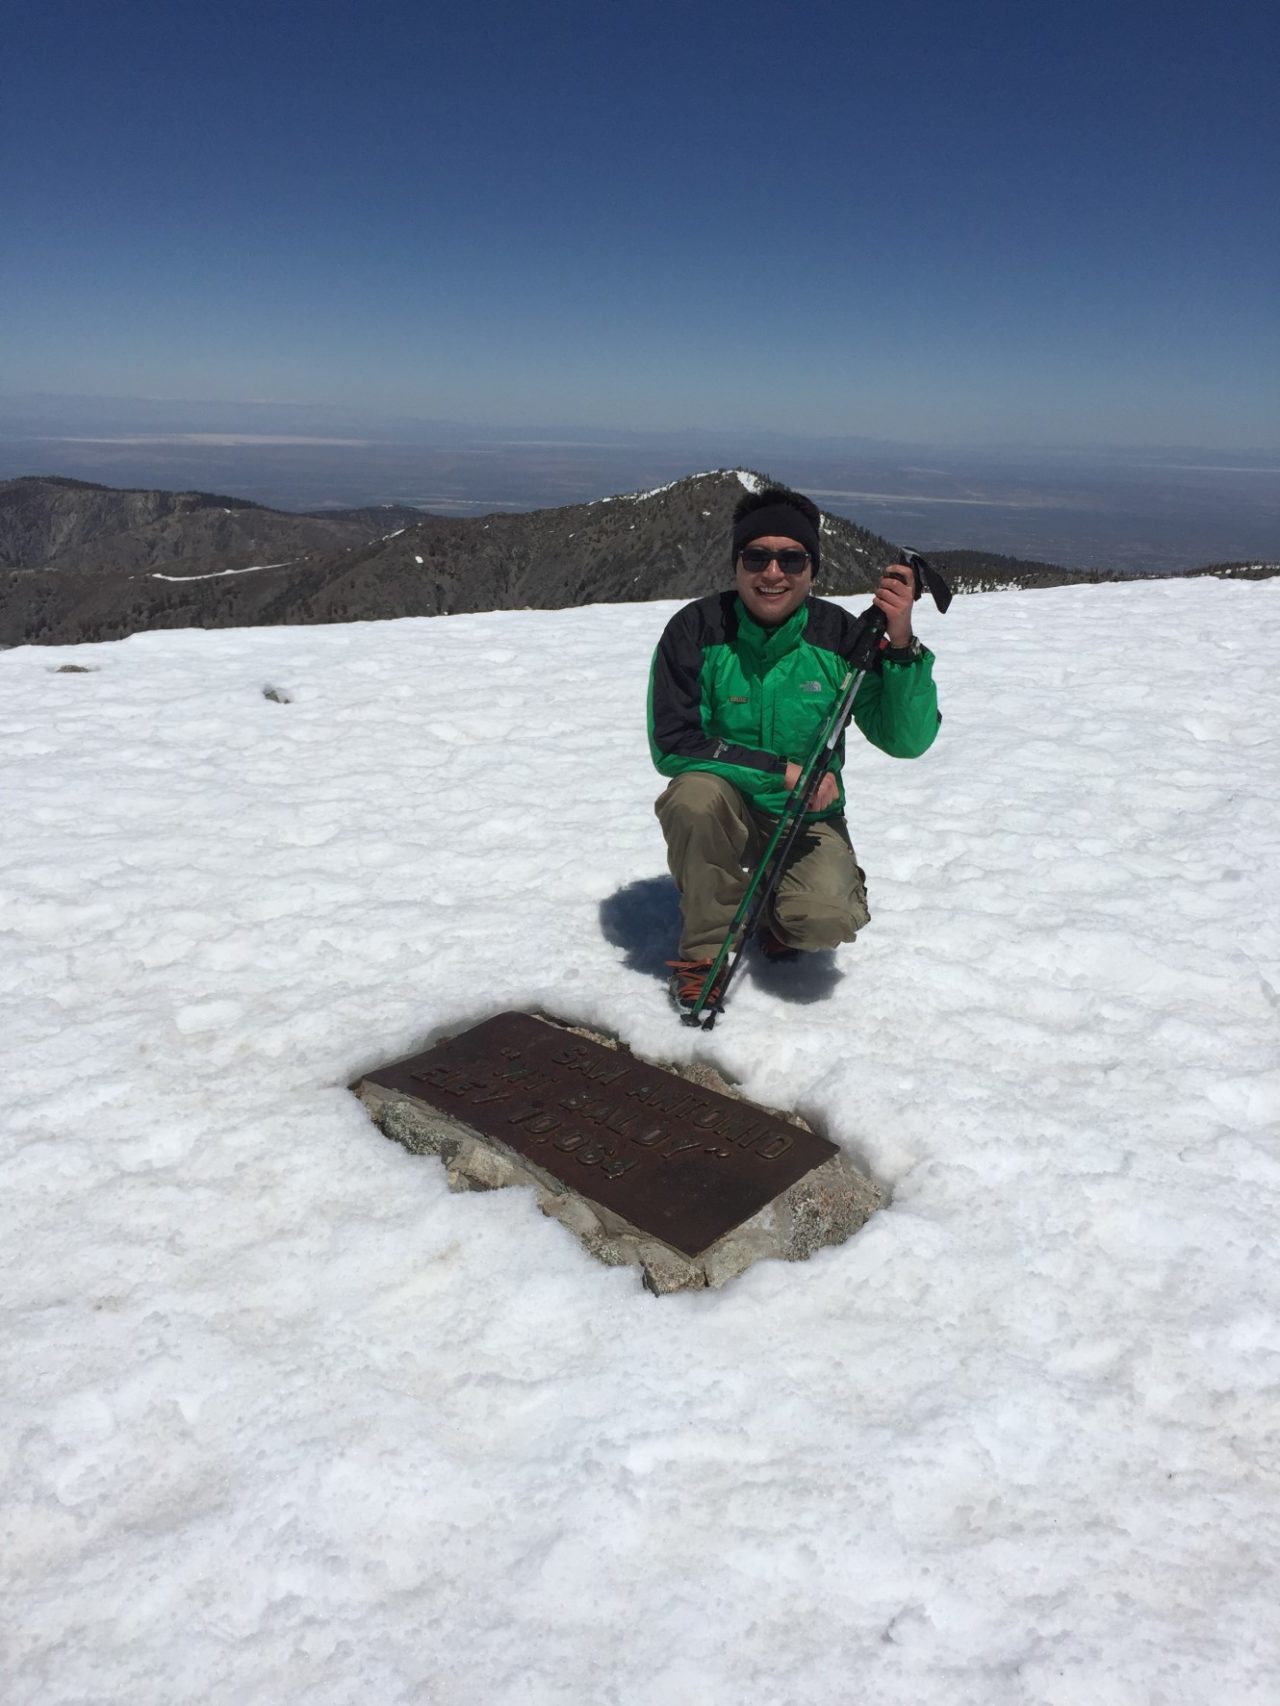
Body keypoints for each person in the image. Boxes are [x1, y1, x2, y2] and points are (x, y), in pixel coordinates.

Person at [647, 484, 940, 1015]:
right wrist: (780, 771)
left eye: (791, 558)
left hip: (807, 816)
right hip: (725, 807)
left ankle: (777, 911)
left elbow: (906, 740)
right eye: (756, 556)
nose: (772, 572)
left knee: (824, 919)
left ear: (813, 568)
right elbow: (674, 744)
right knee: (693, 797)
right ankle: (705, 957)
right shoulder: (696, 630)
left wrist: (900, 646)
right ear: (736, 564)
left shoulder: (840, 637)